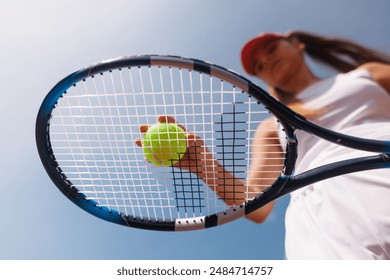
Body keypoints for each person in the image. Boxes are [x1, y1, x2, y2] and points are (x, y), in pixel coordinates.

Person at [137, 31, 390, 259]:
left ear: (297, 44)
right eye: (259, 65)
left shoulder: (366, 74)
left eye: (271, 50)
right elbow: (257, 204)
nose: (267, 61)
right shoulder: (272, 126)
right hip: (322, 222)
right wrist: (205, 165)